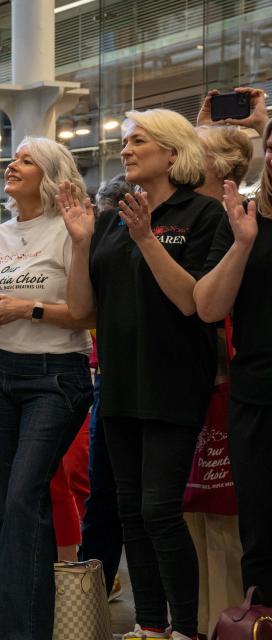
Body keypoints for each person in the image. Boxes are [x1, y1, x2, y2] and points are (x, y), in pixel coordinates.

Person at [61, 108, 224, 640]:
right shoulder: (111, 219)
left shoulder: (203, 216)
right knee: (130, 511)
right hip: (119, 381)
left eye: (139, 142)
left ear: (172, 154)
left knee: (159, 511)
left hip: (175, 380)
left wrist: (148, 239)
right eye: (125, 143)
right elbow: (85, 310)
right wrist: (82, 242)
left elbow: (193, 303)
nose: (126, 150)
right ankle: (150, 623)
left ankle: (185, 627)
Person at [0, 137, 94, 640]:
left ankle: (14, 631)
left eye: (25, 160)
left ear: (49, 175)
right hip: (0, 370)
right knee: (2, 503)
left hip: (56, 376)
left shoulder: (71, 230)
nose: (11, 164)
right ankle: (26, 622)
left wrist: (27, 308)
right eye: (13, 157)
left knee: (25, 496)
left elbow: (87, 315)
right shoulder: (0, 235)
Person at [193, 117, 272, 612]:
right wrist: (242, 243)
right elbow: (207, 306)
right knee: (261, 535)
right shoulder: (240, 218)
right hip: (258, 394)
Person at [183, 122, 253, 635]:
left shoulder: (240, 218)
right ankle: (201, 620)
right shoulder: (185, 215)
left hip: (228, 378)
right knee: (191, 509)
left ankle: (230, 621)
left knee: (224, 510)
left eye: (197, 147)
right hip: (184, 380)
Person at [78, 174, 133, 602]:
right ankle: (91, 589)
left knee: (128, 497)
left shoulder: (124, 239)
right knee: (104, 491)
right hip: (105, 376)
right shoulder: (94, 241)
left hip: (133, 374)